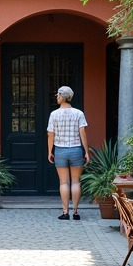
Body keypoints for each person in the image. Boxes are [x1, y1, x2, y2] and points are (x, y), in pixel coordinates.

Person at [47, 85, 89, 220]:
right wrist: (86, 151)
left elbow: (50, 135)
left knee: (64, 182)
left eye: (58, 95)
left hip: (60, 150)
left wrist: (50, 151)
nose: (57, 97)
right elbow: (82, 133)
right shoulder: (79, 113)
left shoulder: (54, 114)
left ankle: (65, 212)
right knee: (76, 182)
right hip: (76, 149)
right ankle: (75, 212)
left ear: (63, 96)